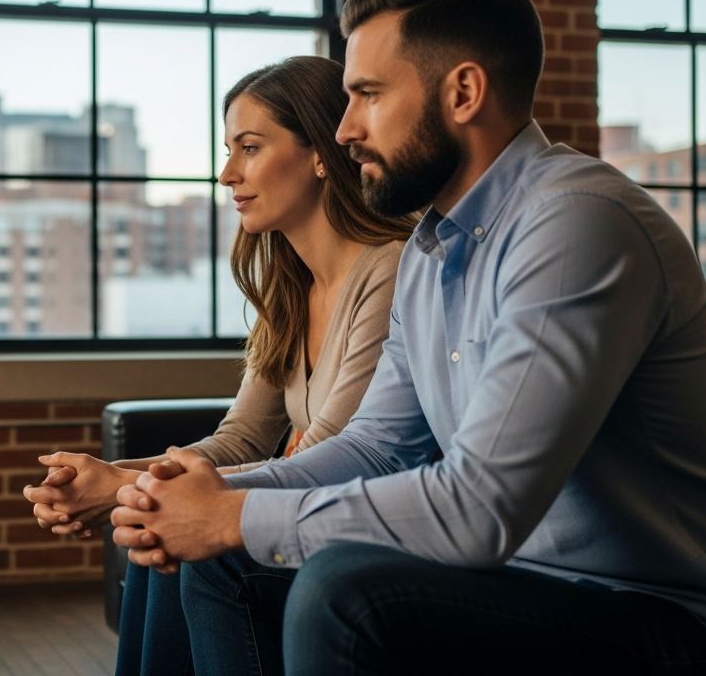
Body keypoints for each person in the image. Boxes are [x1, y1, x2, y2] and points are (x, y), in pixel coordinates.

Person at [110, 0, 706, 675]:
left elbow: (481, 508)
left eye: (367, 95)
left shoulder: (577, 224)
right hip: (529, 584)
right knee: (208, 557)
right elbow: (376, 447)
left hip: (676, 621)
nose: (346, 128)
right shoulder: (431, 248)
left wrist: (231, 515)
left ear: (463, 92)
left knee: (341, 591)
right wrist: (198, 498)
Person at [23, 56, 418, 675]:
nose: (227, 173)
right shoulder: (289, 284)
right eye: (227, 150)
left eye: (250, 148)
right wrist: (112, 475)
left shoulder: (391, 271)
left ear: (321, 152)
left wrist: (130, 489)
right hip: (301, 511)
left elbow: (333, 458)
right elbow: (240, 439)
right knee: (162, 538)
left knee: (184, 538)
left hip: (363, 528)